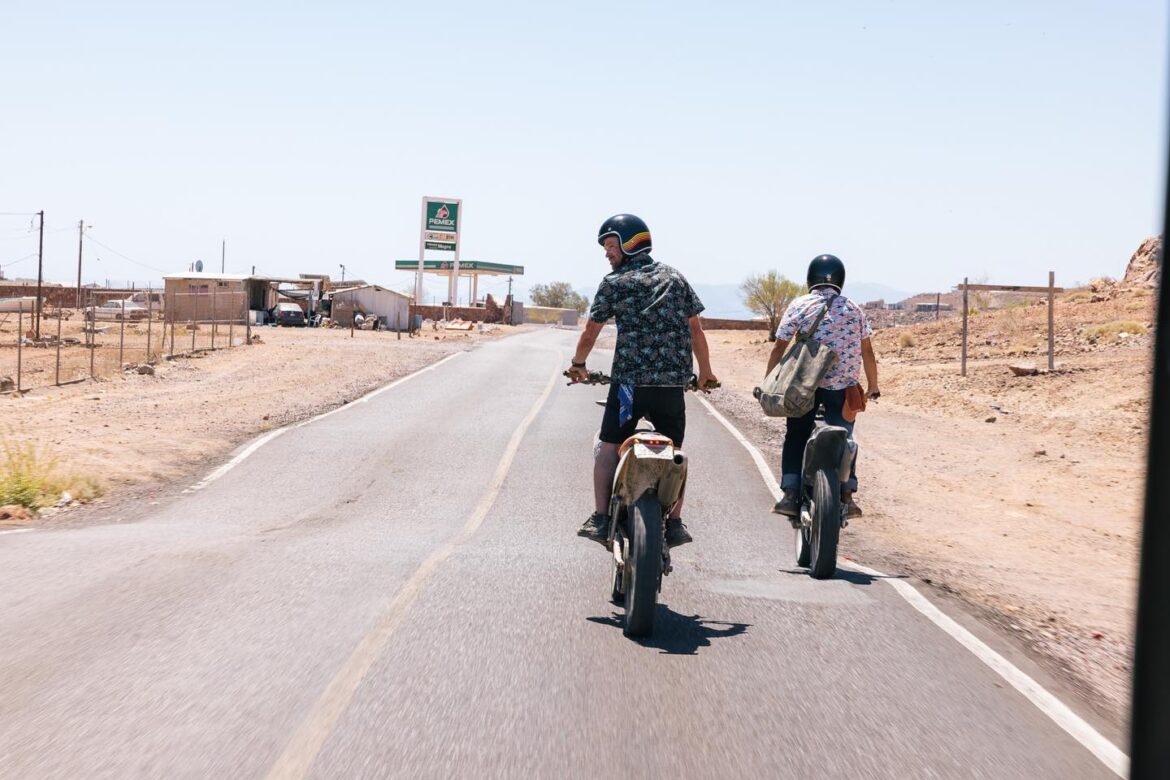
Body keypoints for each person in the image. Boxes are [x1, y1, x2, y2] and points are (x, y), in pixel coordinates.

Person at [567, 214, 719, 548]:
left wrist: (578, 365)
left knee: (609, 445)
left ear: (630, 244)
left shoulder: (614, 283)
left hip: (629, 387)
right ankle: (674, 523)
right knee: (675, 452)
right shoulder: (675, 278)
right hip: (671, 387)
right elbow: (696, 329)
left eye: (611, 245)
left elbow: (591, 331)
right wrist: (706, 372)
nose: (607, 253)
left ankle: (600, 518)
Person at [766, 254, 879, 520]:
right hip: (843, 390)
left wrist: (770, 380)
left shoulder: (800, 305)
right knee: (845, 438)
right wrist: (873, 386)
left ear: (811, 278)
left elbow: (779, 346)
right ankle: (848, 495)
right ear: (840, 279)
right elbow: (867, 351)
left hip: (804, 388)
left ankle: (790, 493)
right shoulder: (853, 309)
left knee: (796, 434)